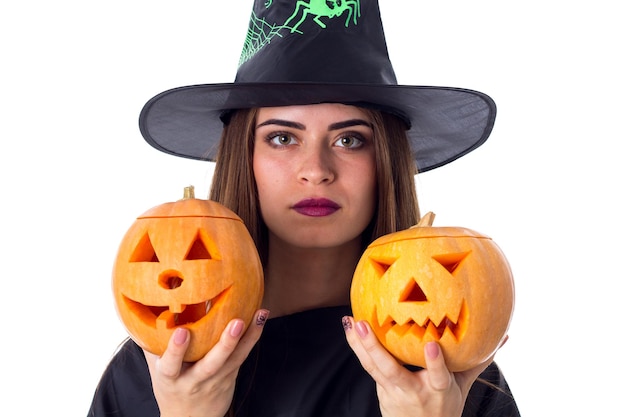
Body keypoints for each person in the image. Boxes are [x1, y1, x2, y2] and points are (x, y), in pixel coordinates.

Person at [89, 1, 520, 416]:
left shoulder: (448, 369)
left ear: (384, 163)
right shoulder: (158, 366)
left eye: (349, 139)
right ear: (246, 157)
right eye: (282, 137)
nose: (315, 171)